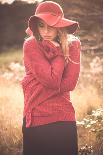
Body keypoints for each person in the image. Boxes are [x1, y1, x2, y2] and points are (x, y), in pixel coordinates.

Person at [21, 1, 81, 155]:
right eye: (41, 25)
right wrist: (60, 52)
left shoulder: (73, 45)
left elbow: (70, 84)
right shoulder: (31, 45)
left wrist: (32, 85)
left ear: (60, 26)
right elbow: (53, 81)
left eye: (51, 26)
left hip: (64, 117)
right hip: (36, 117)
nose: (46, 31)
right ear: (36, 27)